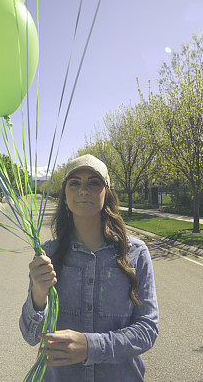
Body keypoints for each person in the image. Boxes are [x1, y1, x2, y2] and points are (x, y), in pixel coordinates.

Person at [19, 154, 160, 381]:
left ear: (107, 193)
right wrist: (38, 293)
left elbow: (147, 330)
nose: (83, 190)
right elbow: (31, 335)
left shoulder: (136, 252)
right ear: (64, 196)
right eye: (74, 183)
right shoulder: (47, 255)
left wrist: (90, 347)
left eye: (93, 183)